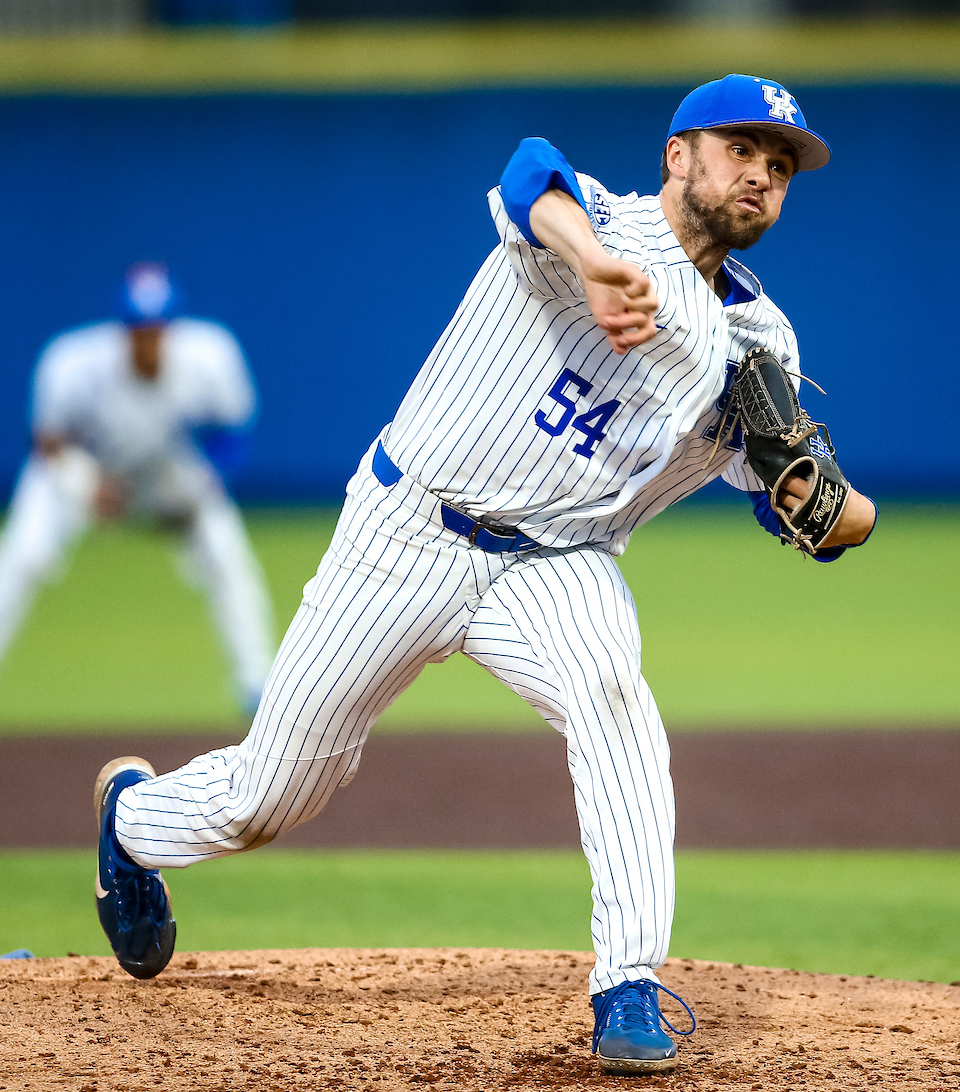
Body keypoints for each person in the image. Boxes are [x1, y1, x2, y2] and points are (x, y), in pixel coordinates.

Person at [93, 77, 876, 1073]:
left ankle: (627, 985)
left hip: (556, 563)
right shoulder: (591, 221)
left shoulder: (760, 341)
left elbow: (790, 500)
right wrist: (592, 264)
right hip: (408, 531)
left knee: (615, 704)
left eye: (780, 164)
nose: (760, 173)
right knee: (270, 796)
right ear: (678, 155)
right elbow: (524, 174)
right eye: (739, 148)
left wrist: (842, 515)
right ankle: (132, 821)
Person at [0, 262, 275, 715]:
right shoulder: (72, 361)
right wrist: (84, 483)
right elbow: (47, 442)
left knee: (225, 554)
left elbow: (233, 435)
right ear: (121, 327)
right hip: (83, 470)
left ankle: (257, 686)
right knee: (25, 554)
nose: (149, 339)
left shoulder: (210, 355)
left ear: (173, 326)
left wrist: (201, 487)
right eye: (138, 329)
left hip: (160, 471)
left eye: (158, 328)